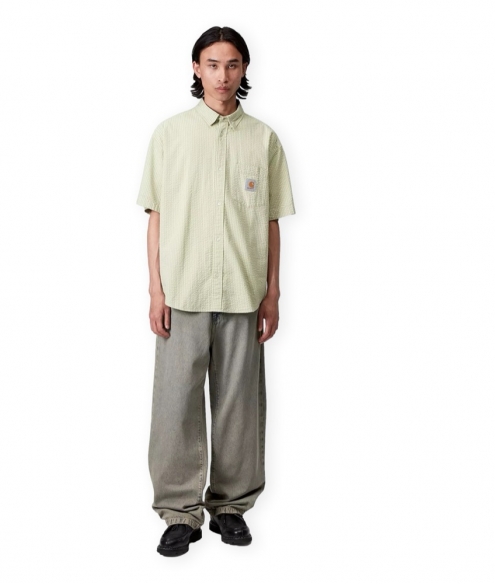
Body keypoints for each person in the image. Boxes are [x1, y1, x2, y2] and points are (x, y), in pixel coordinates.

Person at [136, 25, 296, 557]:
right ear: (195, 68)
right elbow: (156, 216)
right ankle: (179, 512)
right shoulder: (170, 135)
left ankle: (230, 507)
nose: (222, 75)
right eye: (212, 64)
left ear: (244, 69)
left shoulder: (264, 140)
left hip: (244, 293)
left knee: (239, 406)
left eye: (232, 64)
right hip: (182, 291)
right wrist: (155, 290)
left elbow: (271, 221)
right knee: (175, 405)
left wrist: (272, 293)